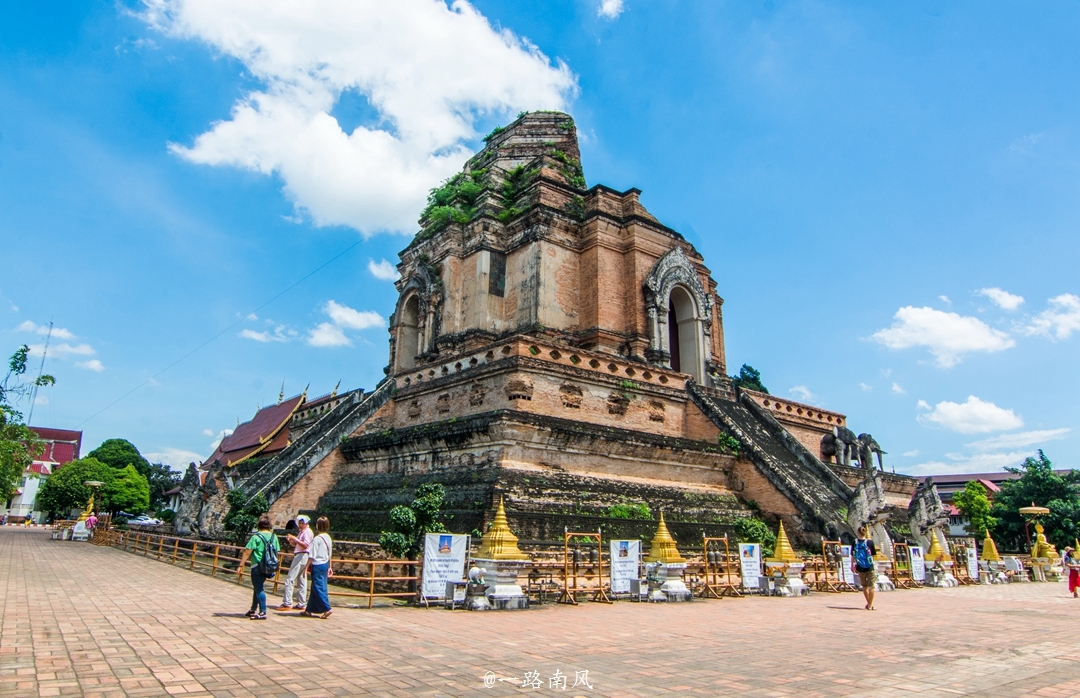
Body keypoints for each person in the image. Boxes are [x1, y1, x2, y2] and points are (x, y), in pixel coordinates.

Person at [239, 515, 279, 621]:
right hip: (269, 566)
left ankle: (263, 611)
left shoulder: (256, 537)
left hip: (257, 565)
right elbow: (276, 551)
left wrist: (240, 565)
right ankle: (253, 609)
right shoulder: (274, 537)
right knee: (257, 587)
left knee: (259, 588)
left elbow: (247, 551)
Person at [278, 515, 313, 611]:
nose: (301, 525)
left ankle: (287, 602)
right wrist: (292, 540)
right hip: (302, 555)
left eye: (303, 523)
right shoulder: (303, 532)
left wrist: (295, 538)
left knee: (290, 578)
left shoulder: (307, 532)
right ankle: (301, 603)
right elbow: (298, 544)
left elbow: (305, 545)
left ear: (307, 523)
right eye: (300, 523)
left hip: (302, 555)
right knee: (301, 580)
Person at [303, 516, 334, 619]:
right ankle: (309, 610)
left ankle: (327, 608)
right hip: (325, 564)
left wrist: (306, 566)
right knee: (318, 586)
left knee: (318, 587)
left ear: (318, 526)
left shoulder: (317, 539)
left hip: (317, 564)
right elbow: (329, 554)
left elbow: (312, 555)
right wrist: (330, 566)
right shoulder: (328, 538)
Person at [852, 525, 877, 611]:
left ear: (858, 533)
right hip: (870, 566)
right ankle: (870, 605)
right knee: (871, 587)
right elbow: (873, 555)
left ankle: (869, 604)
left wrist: (852, 565)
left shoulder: (854, 542)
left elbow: (853, 555)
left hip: (859, 566)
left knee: (864, 586)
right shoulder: (870, 542)